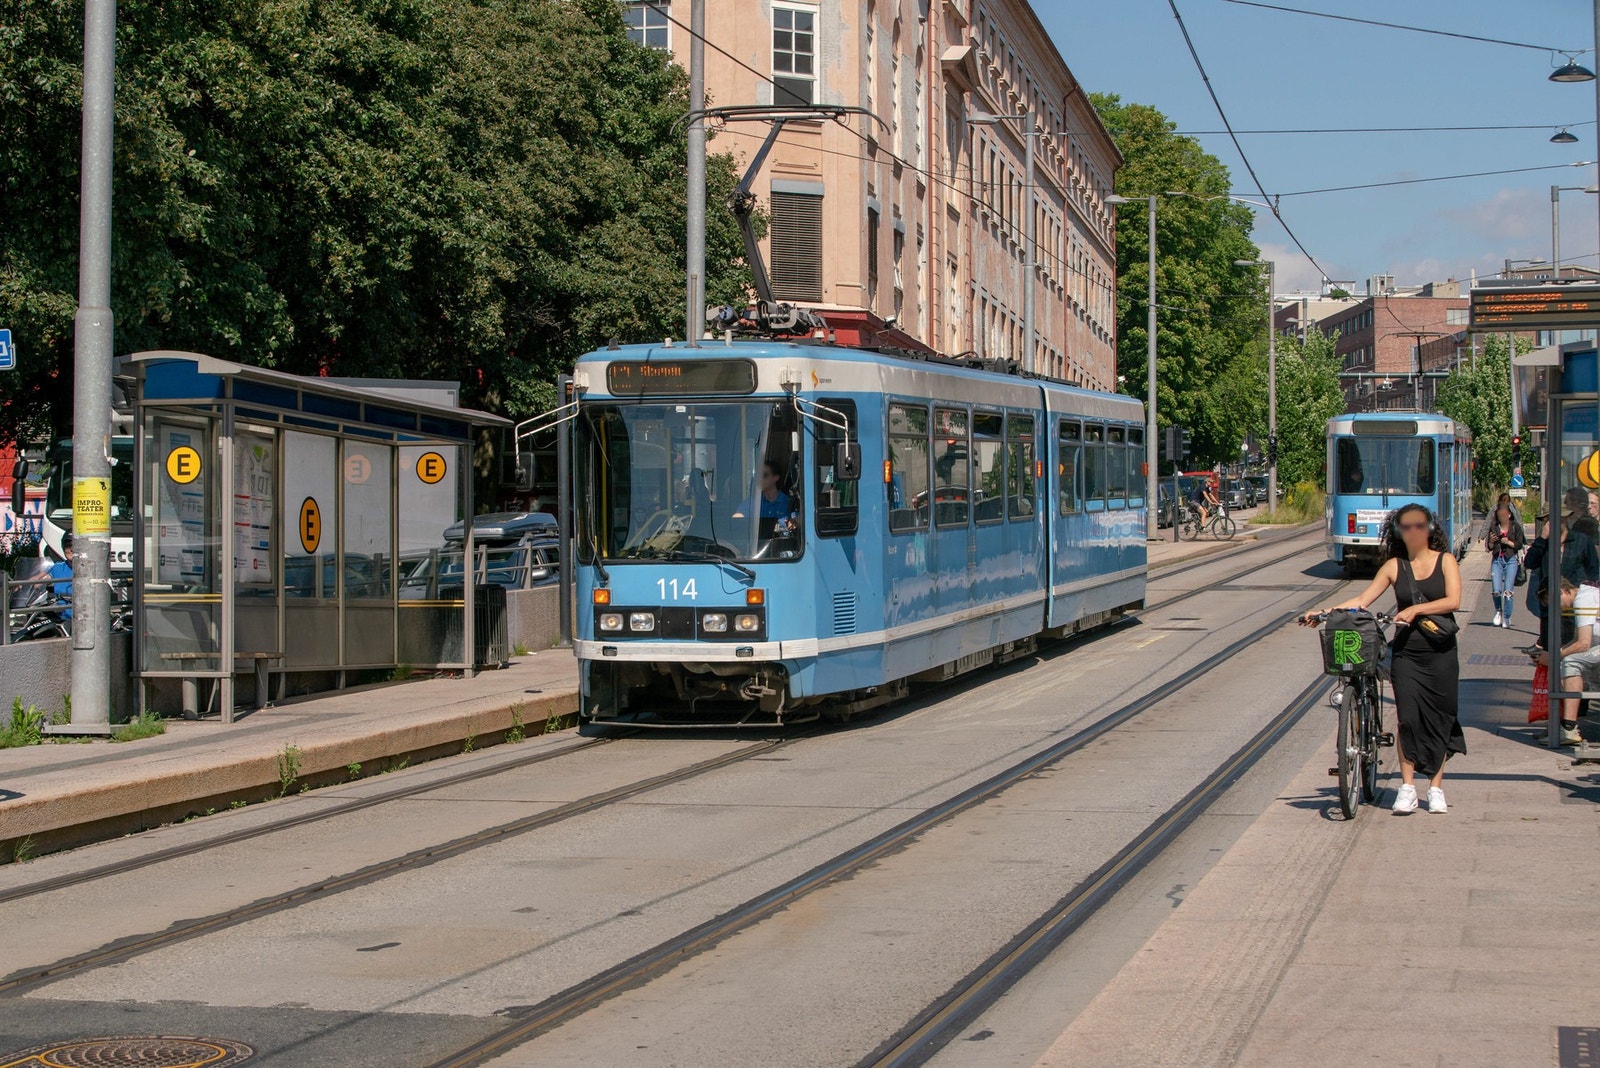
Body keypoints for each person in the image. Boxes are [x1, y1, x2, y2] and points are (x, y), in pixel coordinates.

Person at [1304, 503, 1464, 813]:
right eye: (1406, 526)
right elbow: (1361, 600)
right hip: (1407, 653)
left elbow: (1453, 600)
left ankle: (1435, 788)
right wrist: (1323, 612)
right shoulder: (1394, 566)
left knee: (1439, 718)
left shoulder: (1445, 561)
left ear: (1430, 528)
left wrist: (1416, 609)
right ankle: (1407, 787)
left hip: (1441, 652)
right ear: (1398, 531)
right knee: (1408, 718)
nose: (1413, 531)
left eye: (1419, 525)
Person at [1537, 578, 1599, 745]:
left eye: (1554, 602)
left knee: (1570, 662)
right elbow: (1577, 641)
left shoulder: (1583, 599)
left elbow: (1583, 644)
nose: (1556, 608)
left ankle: (1568, 727)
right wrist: (1556, 655)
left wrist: (1554, 657)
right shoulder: (1585, 596)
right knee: (1565, 661)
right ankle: (1560, 723)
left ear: (1561, 591)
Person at [1485, 501, 1526, 628]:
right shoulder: (1494, 527)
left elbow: (1519, 544)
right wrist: (1491, 542)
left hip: (1511, 560)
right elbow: (1489, 547)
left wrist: (1508, 542)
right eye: (1499, 515)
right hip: (1497, 560)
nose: (1501, 517)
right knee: (1496, 590)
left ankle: (1507, 617)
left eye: (1503, 515)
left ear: (1509, 515)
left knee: (1508, 590)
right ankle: (1498, 611)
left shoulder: (1515, 527)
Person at [48, 534, 73, 623]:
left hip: (85, 617)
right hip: (62, 617)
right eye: (67, 546)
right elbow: (42, 579)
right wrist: (22, 585)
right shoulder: (58, 567)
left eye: (75, 546)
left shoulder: (89, 568)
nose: (71, 549)